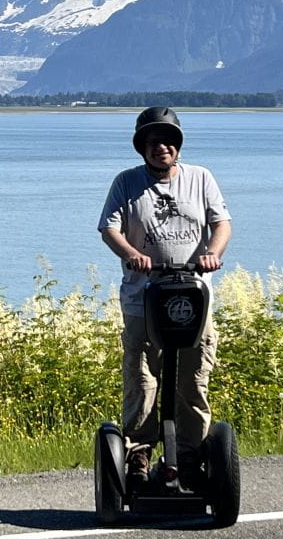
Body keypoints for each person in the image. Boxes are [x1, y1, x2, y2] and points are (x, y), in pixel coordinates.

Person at [97, 106, 231, 487]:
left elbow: (221, 223)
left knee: (193, 380)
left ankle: (189, 457)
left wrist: (213, 255)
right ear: (143, 147)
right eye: (154, 142)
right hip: (143, 298)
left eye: (169, 141)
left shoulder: (201, 178)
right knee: (142, 380)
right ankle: (138, 456)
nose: (163, 148)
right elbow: (110, 228)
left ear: (178, 145)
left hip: (194, 296)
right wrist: (132, 255)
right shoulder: (126, 183)